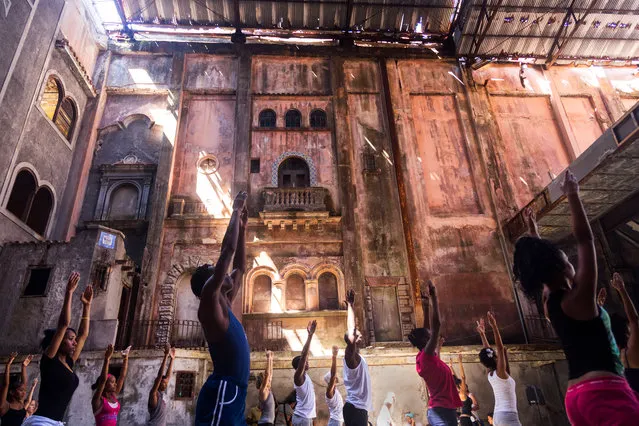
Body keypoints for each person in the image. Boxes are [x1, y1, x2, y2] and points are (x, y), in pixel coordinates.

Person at [513, 170, 639, 425]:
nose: (568, 258)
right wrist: (572, 194)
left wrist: (534, 231)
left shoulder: (551, 303)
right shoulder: (579, 298)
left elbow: (541, 261)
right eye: (563, 256)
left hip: (576, 398)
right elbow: (585, 239)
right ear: (558, 266)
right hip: (605, 392)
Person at [191, 191, 249, 426]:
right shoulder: (210, 302)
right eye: (215, 271)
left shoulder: (226, 302)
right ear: (209, 283)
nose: (226, 274)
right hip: (224, 389)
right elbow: (227, 253)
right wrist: (234, 211)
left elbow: (240, 268)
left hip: (236, 392)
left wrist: (243, 229)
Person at [24, 271, 92, 426]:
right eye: (70, 339)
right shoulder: (50, 359)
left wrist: (87, 306)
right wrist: (69, 293)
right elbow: (63, 324)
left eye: (74, 340)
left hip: (56, 423)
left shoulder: (69, 362)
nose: (75, 343)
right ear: (60, 341)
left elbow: (83, 335)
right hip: (42, 422)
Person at [408, 280, 461, 426]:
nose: (432, 334)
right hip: (441, 411)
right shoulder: (426, 357)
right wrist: (434, 297)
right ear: (426, 340)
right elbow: (436, 325)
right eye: (430, 335)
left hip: (445, 410)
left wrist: (425, 306)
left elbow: (426, 330)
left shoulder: (425, 357)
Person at [475, 314, 519, 426]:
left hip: (498, 416)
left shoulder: (491, 374)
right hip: (508, 416)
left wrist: (483, 334)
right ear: (495, 357)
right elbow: (499, 348)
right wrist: (494, 326)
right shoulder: (500, 373)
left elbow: (488, 352)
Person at [342, 289, 372, 426]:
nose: (361, 337)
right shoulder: (350, 358)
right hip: (355, 408)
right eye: (357, 335)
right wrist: (350, 306)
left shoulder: (358, 358)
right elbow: (351, 329)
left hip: (359, 408)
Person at [608, 272, 639, 393]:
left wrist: (598, 308)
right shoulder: (631, 352)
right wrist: (622, 290)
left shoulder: (615, 359)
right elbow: (634, 321)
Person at [92, 344, 130, 426]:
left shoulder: (114, 396)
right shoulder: (98, 400)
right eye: (112, 382)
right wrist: (107, 359)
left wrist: (126, 358)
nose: (115, 384)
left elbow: (122, 377)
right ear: (105, 385)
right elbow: (102, 380)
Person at [291, 320, 317, 426]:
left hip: (305, 417)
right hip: (302, 418)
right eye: (305, 362)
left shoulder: (305, 376)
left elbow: (305, 356)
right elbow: (304, 355)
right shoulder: (298, 377)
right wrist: (310, 336)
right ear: (300, 366)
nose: (307, 363)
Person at [1, 353, 34, 426]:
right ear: (12, 392)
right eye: (21, 390)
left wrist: (24, 367)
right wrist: (8, 365)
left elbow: (24, 384)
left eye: (24, 391)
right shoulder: (5, 406)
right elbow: (6, 385)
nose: (24, 393)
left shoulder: (21, 403)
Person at [148, 344, 175, 426]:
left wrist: (172, 359)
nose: (165, 383)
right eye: (162, 382)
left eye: (165, 382)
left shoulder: (163, 395)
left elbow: (168, 376)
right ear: (158, 383)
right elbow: (159, 376)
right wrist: (166, 355)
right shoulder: (154, 394)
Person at [449, 354, 479, 426]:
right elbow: (463, 377)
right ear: (460, 386)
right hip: (465, 420)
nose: (464, 385)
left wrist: (450, 367)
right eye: (462, 385)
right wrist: (460, 363)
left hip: (467, 419)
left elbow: (456, 378)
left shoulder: (461, 394)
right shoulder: (462, 394)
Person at [325, 345, 344, 426]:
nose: (336, 376)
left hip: (337, 421)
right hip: (335, 422)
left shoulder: (335, 391)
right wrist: (334, 356)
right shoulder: (329, 393)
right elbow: (333, 375)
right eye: (334, 377)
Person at [257, 350, 276, 426]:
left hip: (268, 423)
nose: (269, 381)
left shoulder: (268, 389)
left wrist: (271, 359)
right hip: (265, 423)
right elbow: (267, 374)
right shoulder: (263, 391)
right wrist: (268, 358)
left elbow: (270, 374)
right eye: (267, 381)